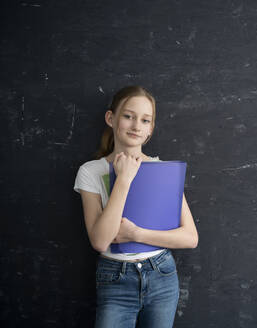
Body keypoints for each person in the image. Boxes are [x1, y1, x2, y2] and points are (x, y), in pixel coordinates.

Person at [73, 85, 198, 328]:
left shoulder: (163, 171)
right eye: (128, 116)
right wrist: (124, 179)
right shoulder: (90, 171)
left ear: (151, 129)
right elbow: (100, 241)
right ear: (111, 118)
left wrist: (136, 234)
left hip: (161, 274)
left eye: (145, 120)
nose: (136, 126)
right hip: (115, 277)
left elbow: (190, 237)